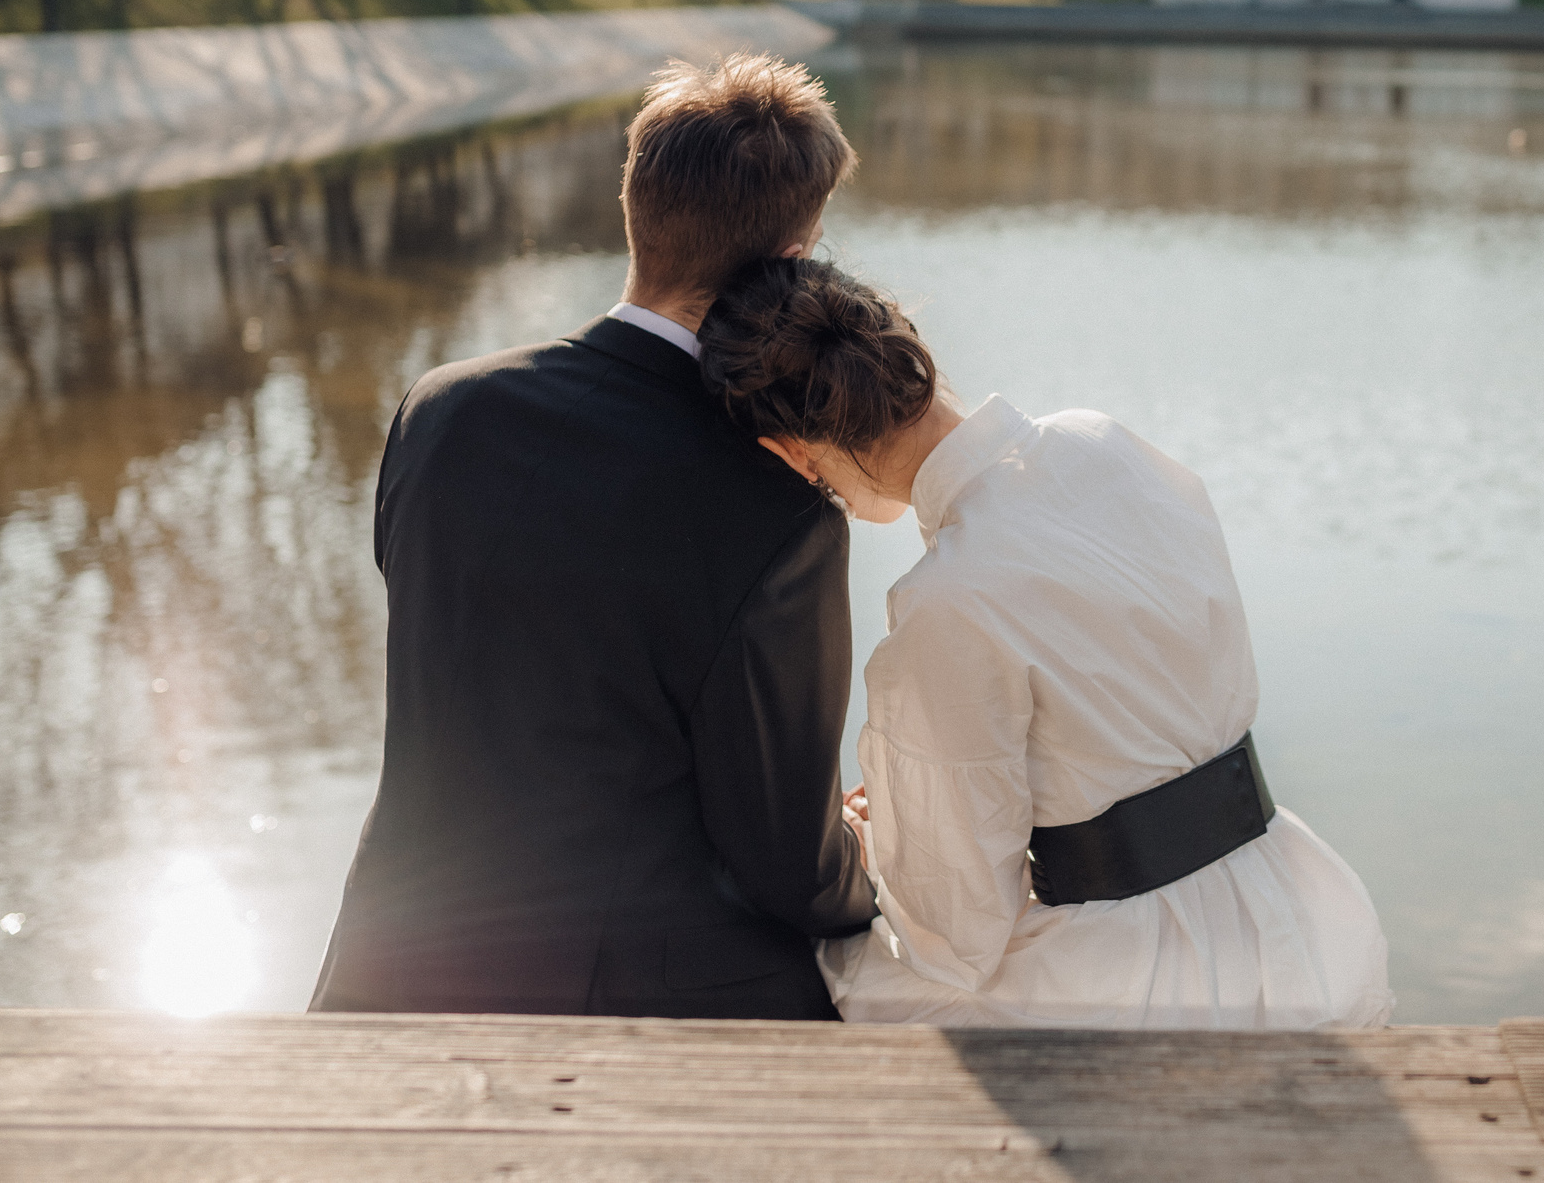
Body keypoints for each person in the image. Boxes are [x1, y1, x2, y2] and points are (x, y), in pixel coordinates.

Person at [311, 55, 875, 1019]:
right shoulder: (778, 510)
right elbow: (789, 866)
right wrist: (860, 860)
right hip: (614, 1022)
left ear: (636, 209)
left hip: (390, 973)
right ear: (798, 260)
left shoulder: (441, 411)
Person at [698, 259, 1395, 1030]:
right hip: (1295, 907)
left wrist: (875, 836)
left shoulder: (944, 604)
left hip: (1161, 973)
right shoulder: (1104, 440)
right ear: (906, 337)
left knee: (845, 971)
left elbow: (958, 928)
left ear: (796, 453)